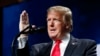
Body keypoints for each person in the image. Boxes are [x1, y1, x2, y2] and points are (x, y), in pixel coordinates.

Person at [17, 6, 97, 56]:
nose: (50, 24)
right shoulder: (38, 50)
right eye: (48, 20)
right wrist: (23, 35)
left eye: (55, 19)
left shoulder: (86, 46)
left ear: (67, 24)